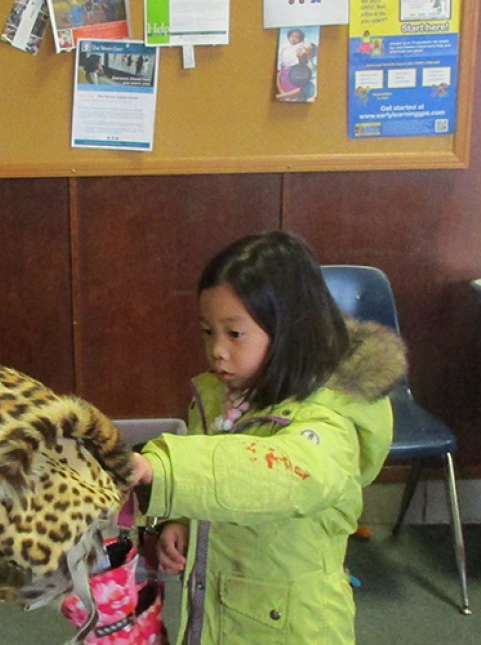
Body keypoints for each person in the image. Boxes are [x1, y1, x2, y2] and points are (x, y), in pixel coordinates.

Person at [127, 231, 405, 644]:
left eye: (234, 334)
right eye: (208, 332)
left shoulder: (330, 418)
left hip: (295, 628)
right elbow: (219, 484)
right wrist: (182, 518)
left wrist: (163, 469)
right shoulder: (223, 397)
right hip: (225, 615)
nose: (217, 350)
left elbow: (273, 473)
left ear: (290, 328)